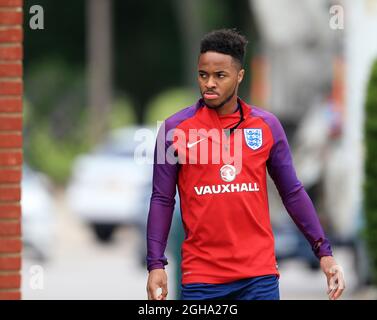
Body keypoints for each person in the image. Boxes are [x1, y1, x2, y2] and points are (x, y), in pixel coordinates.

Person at [145, 28, 345, 300]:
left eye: (220, 76)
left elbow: (292, 192)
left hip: (258, 277)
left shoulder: (266, 126)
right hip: (202, 279)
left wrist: (324, 252)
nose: (209, 83)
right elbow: (161, 199)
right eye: (203, 75)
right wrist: (155, 265)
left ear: (239, 76)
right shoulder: (172, 130)